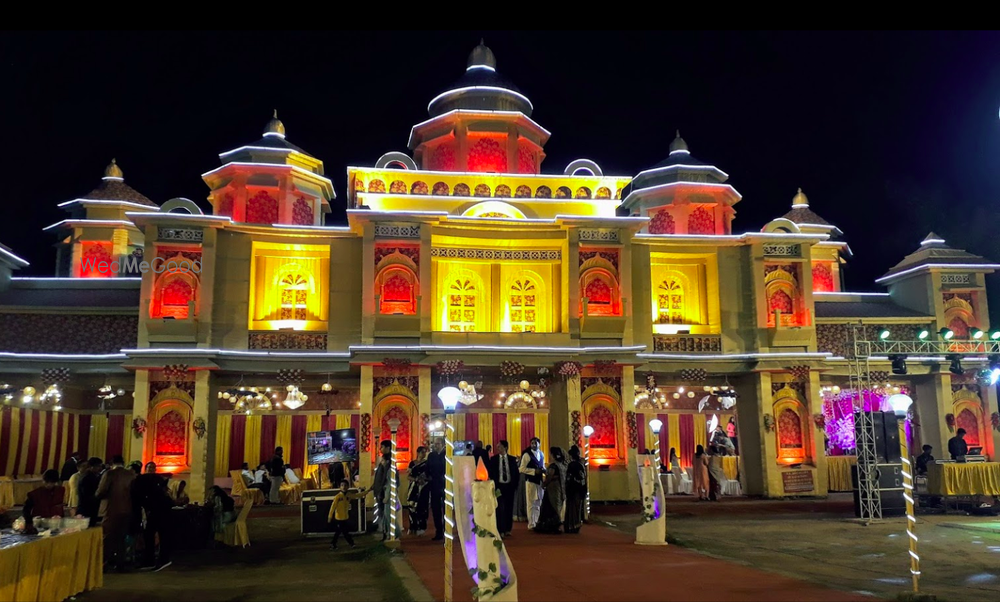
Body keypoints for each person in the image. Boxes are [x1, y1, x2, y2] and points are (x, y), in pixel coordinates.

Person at [132, 462, 174, 571]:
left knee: (151, 534)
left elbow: (140, 498)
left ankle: (154, 560)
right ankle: (158, 559)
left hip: (157, 510)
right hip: (160, 509)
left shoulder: (140, 481)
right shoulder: (156, 479)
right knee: (158, 534)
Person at [96, 454, 135, 570]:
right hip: (127, 509)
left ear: (112, 463)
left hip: (111, 509)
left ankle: (104, 562)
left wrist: (96, 496)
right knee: (121, 538)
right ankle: (120, 563)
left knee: (107, 537)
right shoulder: (130, 474)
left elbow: (101, 491)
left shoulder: (109, 474)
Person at [488, 440, 520, 537]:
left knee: (509, 508)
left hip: (509, 486)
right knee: (499, 508)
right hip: (499, 487)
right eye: (498, 447)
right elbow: (491, 473)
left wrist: (515, 486)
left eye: (500, 447)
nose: (499, 449)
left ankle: (507, 529)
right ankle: (500, 529)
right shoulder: (493, 460)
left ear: (505, 448)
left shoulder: (512, 459)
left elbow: (516, 474)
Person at [533, 447, 566, 534]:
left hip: (552, 489)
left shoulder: (553, 466)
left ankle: (549, 526)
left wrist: (544, 484)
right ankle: (555, 525)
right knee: (557, 506)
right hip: (560, 488)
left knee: (550, 506)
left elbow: (550, 476)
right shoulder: (562, 465)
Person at [328, 480, 366, 549]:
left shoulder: (349, 495)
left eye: (345, 485)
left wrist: (367, 491)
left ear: (348, 487)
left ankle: (333, 544)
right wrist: (330, 516)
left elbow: (358, 495)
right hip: (339, 518)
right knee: (344, 532)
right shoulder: (338, 496)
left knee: (339, 532)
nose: (344, 487)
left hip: (345, 517)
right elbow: (333, 507)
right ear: (340, 487)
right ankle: (351, 544)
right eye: (342, 485)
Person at [519, 437, 546, 529]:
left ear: (539, 444)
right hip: (530, 481)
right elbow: (521, 468)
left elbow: (542, 466)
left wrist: (544, 471)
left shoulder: (542, 454)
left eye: (535, 443)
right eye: (532, 443)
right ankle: (531, 524)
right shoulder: (527, 455)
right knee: (531, 503)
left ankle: (537, 522)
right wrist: (534, 471)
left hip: (539, 482)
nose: (534, 445)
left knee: (538, 502)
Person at [371, 440, 392, 539]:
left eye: (382, 447)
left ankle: (387, 533)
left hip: (384, 491)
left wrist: (381, 489)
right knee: (381, 512)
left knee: (385, 513)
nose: (381, 449)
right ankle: (384, 531)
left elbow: (385, 477)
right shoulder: (383, 460)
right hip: (379, 489)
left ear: (388, 448)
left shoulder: (389, 461)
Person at [407, 446, 429, 535]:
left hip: (423, 488)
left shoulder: (427, 464)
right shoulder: (412, 463)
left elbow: (429, 475)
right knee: (411, 506)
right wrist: (416, 479)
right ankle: (413, 526)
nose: (424, 454)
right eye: (422, 452)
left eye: (425, 452)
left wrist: (424, 480)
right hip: (413, 488)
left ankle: (422, 527)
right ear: (418, 452)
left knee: (422, 507)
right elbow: (408, 476)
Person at [564, 446, 586, 534]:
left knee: (572, 508)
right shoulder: (581, 464)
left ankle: (571, 526)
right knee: (577, 508)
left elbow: (569, 478)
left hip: (573, 489)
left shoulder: (572, 465)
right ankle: (576, 524)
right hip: (580, 489)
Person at [427, 438, 446, 541]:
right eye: (435, 444)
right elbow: (427, 469)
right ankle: (439, 531)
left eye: (438, 444)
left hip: (445, 485)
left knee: (446, 509)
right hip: (434, 485)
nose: (436, 445)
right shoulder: (431, 455)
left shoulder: (447, 455)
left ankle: (446, 529)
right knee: (435, 509)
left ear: (443, 444)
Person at [77, 457, 103, 526]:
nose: (100, 468)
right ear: (91, 467)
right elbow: (87, 495)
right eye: (98, 466)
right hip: (86, 509)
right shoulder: (86, 478)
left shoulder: (93, 476)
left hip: (91, 508)